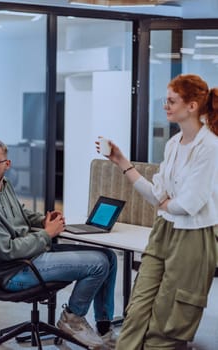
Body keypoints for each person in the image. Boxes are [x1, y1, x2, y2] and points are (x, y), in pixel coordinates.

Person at [0, 138, 118, 349]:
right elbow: (6, 251)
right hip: (16, 271)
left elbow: (21, 214)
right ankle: (73, 318)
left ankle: (104, 327)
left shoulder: (2, 186)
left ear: (7, 164)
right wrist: (46, 234)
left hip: (34, 254)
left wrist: (43, 220)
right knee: (98, 263)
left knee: (109, 256)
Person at [98, 74, 218, 350]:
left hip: (195, 236)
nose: (165, 105)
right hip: (165, 229)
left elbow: (189, 204)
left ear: (192, 105)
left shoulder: (210, 147)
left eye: (172, 101)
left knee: (170, 316)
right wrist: (121, 162)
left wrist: (166, 203)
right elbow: (157, 195)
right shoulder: (174, 144)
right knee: (138, 306)